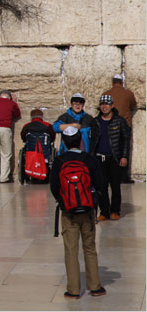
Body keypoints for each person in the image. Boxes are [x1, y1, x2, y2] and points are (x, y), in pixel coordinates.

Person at [50, 127, 106, 299]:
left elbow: (54, 187)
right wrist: (92, 203)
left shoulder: (59, 161)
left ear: (65, 143)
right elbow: (100, 185)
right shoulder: (89, 159)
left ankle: (73, 290)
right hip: (87, 211)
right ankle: (95, 287)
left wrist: (64, 202)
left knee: (71, 250)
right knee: (89, 248)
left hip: (69, 212)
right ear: (79, 140)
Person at [92, 94, 130, 222]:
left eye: (107, 104)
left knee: (115, 186)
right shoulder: (96, 121)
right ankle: (104, 212)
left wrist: (124, 156)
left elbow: (125, 139)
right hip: (99, 158)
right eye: (102, 104)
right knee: (101, 186)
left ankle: (115, 211)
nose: (105, 107)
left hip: (114, 158)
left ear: (112, 106)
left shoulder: (119, 121)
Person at [104, 74, 138, 183]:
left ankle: (110, 175)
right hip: (125, 125)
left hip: (110, 124)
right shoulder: (128, 93)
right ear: (122, 82)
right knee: (124, 149)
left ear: (113, 83)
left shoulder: (106, 94)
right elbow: (133, 104)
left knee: (111, 149)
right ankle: (123, 177)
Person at [19, 109, 56, 177]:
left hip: (30, 153)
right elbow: (52, 137)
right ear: (41, 116)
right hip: (45, 153)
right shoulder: (48, 126)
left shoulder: (26, 126)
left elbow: (23, 137)